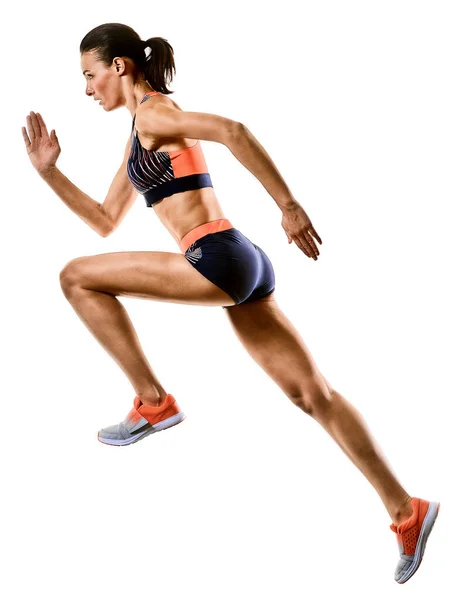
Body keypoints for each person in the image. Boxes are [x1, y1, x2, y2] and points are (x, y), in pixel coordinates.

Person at [21, 23, 439, 584]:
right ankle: (405, 510)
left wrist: (288, 206)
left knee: (75, 277)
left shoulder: (153, 115)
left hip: (214, 257)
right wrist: (49, 174)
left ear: (119, 66)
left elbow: (233, 130)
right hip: (242, 263)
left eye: (89, 75)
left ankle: (153, 402)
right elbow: (103, 220)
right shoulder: (138, 137)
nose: (87, 89)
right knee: (314, 395)